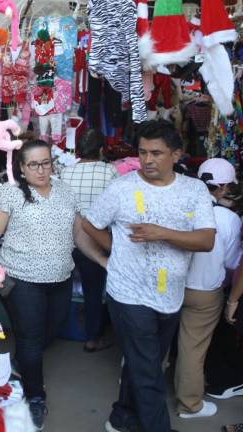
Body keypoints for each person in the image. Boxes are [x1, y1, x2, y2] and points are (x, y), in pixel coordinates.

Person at [83, 119, 216, 432]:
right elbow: (91, 223)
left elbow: (206, 240)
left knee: (143, 361)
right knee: (148, 370)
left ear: (176, 155)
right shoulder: (122, 188)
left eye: (156, 153)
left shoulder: (194, 190)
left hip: (170, 295)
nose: (148, 160)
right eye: (143, 152)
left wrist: (161, 233)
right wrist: (116, 251)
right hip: (128, 293)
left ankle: (121, 418)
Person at [0, 139, 108, 430]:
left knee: (48, 333)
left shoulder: (65, 191)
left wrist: (103, 261)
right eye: (33, 164)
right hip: (21, 279)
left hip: (61, 279)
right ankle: (35, 396)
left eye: (46, 163)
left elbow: (78, 235)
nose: (41, 170)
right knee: (30, 340)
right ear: (22, 167)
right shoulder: (10, 193)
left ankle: (24, 364)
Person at [173, 158, 241, 419]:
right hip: (205, 293)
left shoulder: (180, 208)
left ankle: (137, 397)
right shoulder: (228, 218)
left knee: (155, 342)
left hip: (172, 285)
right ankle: (189, 405)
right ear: (222, 188)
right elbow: (233, 262)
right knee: (193, 347)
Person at [61, 129, 119, 352]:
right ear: (102, 151)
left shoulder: (66, 172)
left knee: (64, 286)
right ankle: (93, 337)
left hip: (67, 240)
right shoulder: (110, 172)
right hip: (95, 241)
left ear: (78, 151)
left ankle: (61, 327)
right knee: (93, 291)